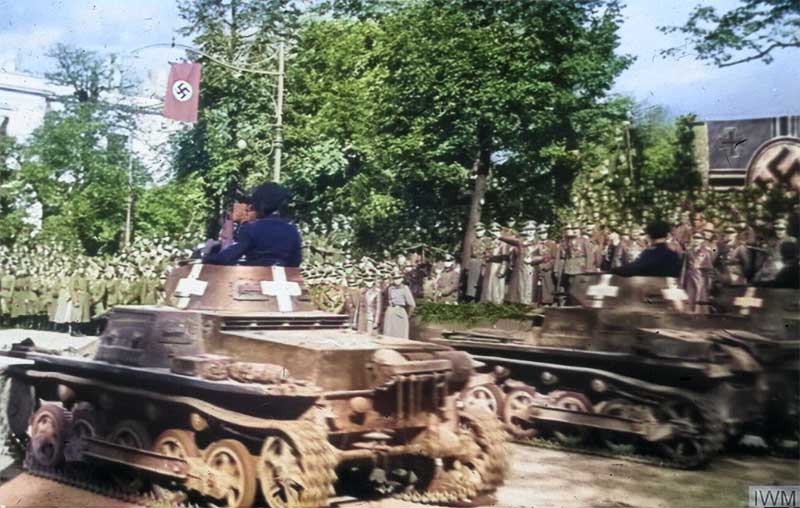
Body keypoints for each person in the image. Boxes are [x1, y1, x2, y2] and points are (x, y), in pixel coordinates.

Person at [204, 183, 302, 267]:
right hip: (282, 283)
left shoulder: (251, 228)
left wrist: (207, 256)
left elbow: (228, 258)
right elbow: (296, 262)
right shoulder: (292, 230)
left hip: (255, 282)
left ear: (259, 204)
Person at [610, 220, 682, 278]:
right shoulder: (673, 254)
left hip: (650, 291)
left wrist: (612, 271)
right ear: (667, 236)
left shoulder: (649, 253)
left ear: (649, 236)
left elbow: (632, 269)